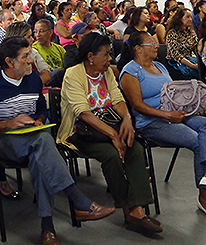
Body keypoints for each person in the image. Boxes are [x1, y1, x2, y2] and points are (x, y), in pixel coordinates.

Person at [0, 37, 115, 245]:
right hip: (1, 142)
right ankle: (76, 200)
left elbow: (41, 109)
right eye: (25, 57)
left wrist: (39, 120)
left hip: (33, 139)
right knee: (42, 145)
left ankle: (47, 228)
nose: (31, 61)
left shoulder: (33, 80)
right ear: (9, 62)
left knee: (40, 154)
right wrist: (9, 123)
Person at [120, 31, 206, 219]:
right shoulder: (130, 71)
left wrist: (192, 107)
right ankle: (204, 196)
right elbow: (137, 105)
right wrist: (167, 114)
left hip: (174, 114)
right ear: (138, 49)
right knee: (197, 140)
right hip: (150, 123)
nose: (156, 45)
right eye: (151, 43)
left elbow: (174, 94)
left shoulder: (160, 66)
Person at [58, 32, 160, 233]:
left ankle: (137, 208)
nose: (109, 59)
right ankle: (128, 209)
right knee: (112, 155)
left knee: (135, 148)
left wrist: (127, 120)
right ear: (90, 56)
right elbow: (83, 113)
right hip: (81, 133)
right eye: (105, 54)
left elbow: (118, 100)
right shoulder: (73, 74)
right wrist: (114, 136)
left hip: (107, 128)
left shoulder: (107, 74)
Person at [5, 21, 52, 86]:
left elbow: (46, 75)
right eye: (29, 37)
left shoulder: (33, 52)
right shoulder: (8, 57)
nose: (32, 39)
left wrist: (33, 86)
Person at [166, 8, 199, 78]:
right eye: (187, 17)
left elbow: (196, 47)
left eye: (191, 17)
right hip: (176, 62)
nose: (190, 19)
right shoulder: (172, 33)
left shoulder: (190, 32)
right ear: (179, 18)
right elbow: (175, 55)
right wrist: (193, 65)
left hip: (189, 59)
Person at [33, 19, 65, 87]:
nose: (37, 35)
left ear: (50, 32)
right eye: (35, 32)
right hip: (47, 80)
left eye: (41, 31)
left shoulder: (59, 48)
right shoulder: (34, 49)